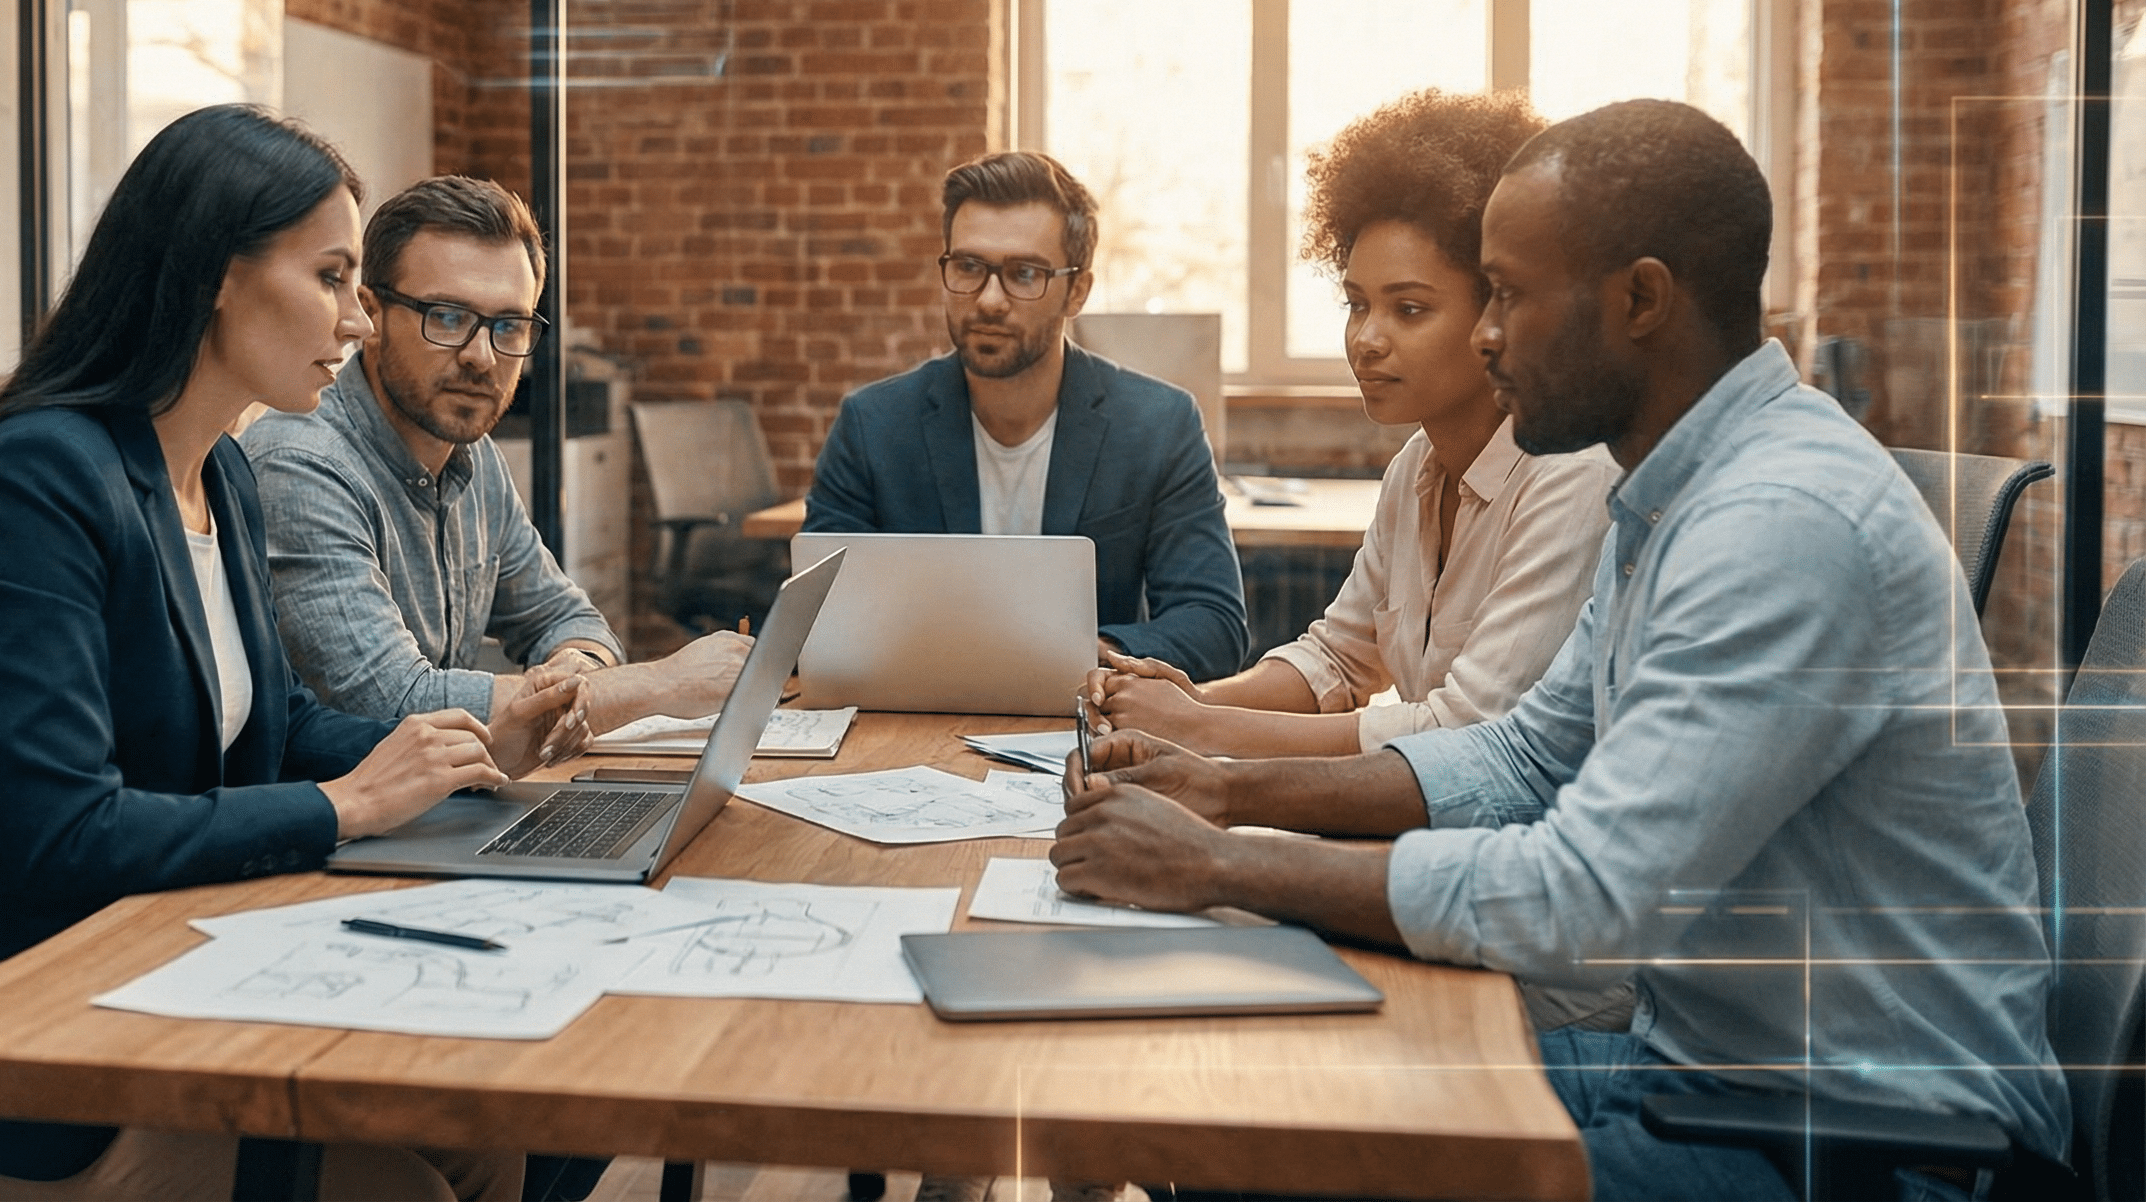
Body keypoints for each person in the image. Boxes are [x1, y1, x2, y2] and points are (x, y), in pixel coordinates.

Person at [1051, 100, 2069, 1202]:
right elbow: (1521, 760)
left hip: (1857, 1139)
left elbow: (1579, 894)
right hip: (1695, 1074)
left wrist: (1219, 858)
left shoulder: (1778, 521)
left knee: (1245, 1146)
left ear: (1639, 299)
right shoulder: (1672, 493)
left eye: (1513, 296)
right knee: (1226, 1098)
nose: (1488, 336)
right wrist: (1216, 784)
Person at [0, 107, 580, 1202]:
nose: (356, 320)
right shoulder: (35, 481)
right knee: (405, 1185)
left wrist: (468, 748)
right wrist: (347, 806)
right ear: (215, 272)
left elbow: (275, 726)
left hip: (122, 967)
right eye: (333, 276)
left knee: (486, 1136)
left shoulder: (220, 477)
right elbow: (67, 831)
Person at [1092, 89, 1618, 759]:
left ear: (1502, 311)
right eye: (1356, 304)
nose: (1366, 339)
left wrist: (1200, 728)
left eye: (1409, 309)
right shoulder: (1418, 466)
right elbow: (1337, 657)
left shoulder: (1571, 473)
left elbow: (1468, 733)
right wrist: (1194, 698)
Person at [245, 175, 747, 741]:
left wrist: (577, 676)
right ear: (373, 314)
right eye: (448, 317)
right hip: (350, 821)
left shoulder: (471, 455)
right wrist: (654, 686)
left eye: (509, 326)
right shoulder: (302, 463)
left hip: (449, 799)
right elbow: (392, 704)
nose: (482, 358)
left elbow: (567, 619)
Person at [801, 151, 1247, 678]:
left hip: (1082, 721)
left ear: (1077, 290)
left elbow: (1214, 622)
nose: (990, 300)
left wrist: (1080, 656)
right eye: (968, 267)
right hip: (915, 719)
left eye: (1024, 273)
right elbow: (815, 621)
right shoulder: (873, 426)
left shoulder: (1158, 425)